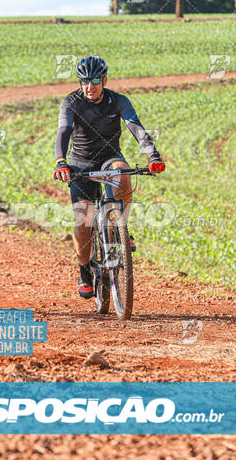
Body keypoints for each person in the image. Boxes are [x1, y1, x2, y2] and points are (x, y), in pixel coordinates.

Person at [53, 56, 165, 299]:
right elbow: (63, 131)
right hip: (80, 163)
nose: (89, 86)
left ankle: (121, 227)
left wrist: (153, 156)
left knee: (122, 172)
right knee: (83, 219)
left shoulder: (118, 101)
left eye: (94, 81)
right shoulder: (71, 102)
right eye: (84, 81)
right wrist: (61, 162)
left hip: (109, 157)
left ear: (104, 80)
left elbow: (136, 127)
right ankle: (85, 271)